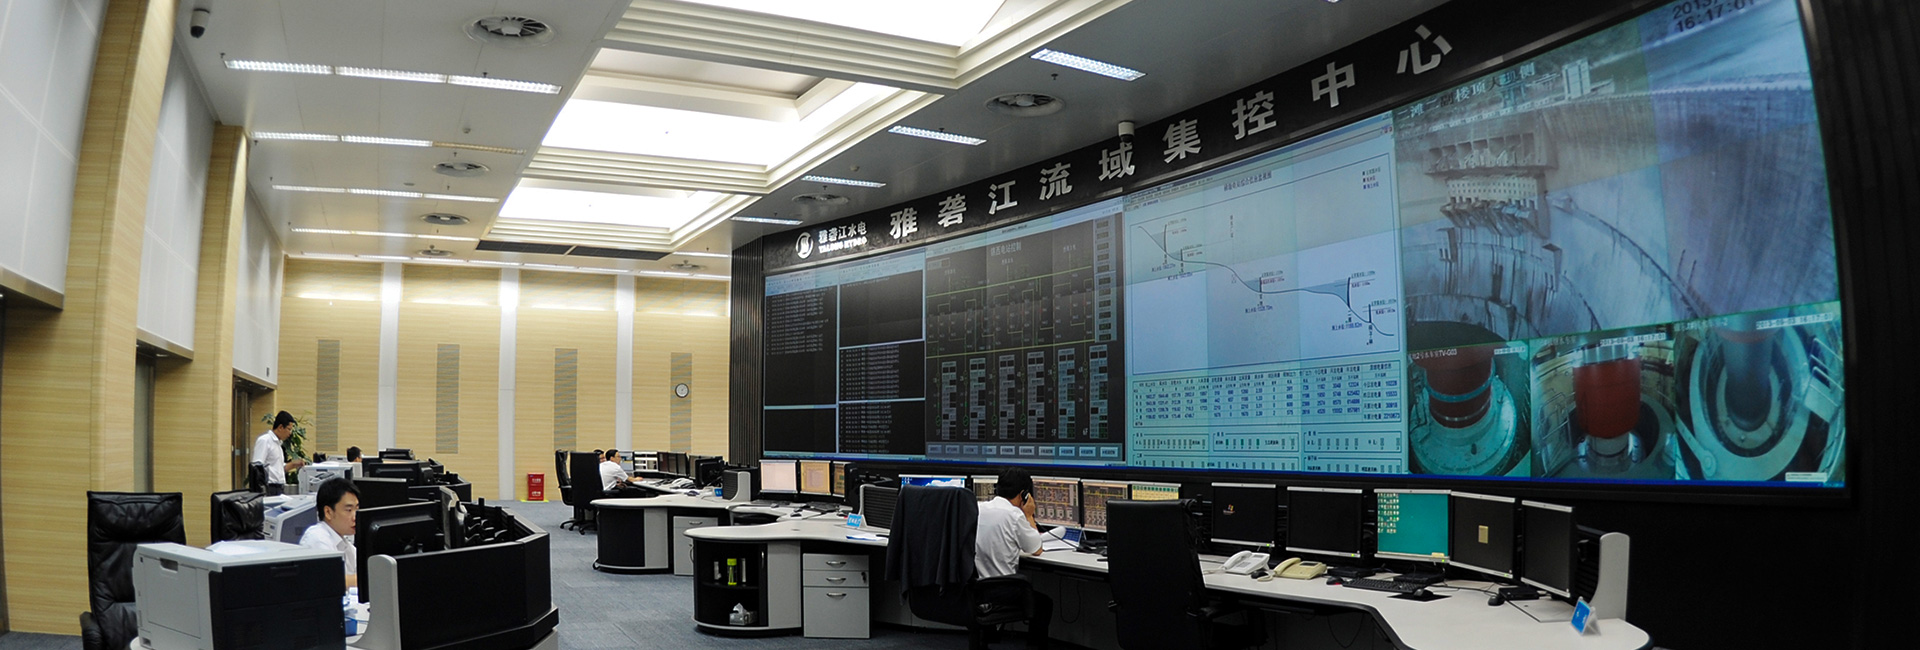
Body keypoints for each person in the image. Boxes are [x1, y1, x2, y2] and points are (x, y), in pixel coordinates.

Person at [974, 468, 1052, 647]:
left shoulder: (978, 508)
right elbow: (1036, 549)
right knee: (1044, 604)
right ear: (1024, 494)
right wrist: (1029, 515)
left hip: (975, 589)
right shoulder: (1014, 515)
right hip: (1002, 591)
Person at [299, 477, 359, 590]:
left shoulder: (346, 545)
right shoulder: (316, 537)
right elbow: (330, 581)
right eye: (349, 510)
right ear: (328, 512)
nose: (355, 517)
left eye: (357, 509)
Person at [251, 411, 305, 495]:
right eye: (289, 429)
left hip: (279, 487)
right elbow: (257, 468)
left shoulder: (278, 444)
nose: (290, 433)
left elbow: (278, 468)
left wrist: (293, 464)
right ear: (280, 427)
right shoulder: (265, 440)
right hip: (269, 487)